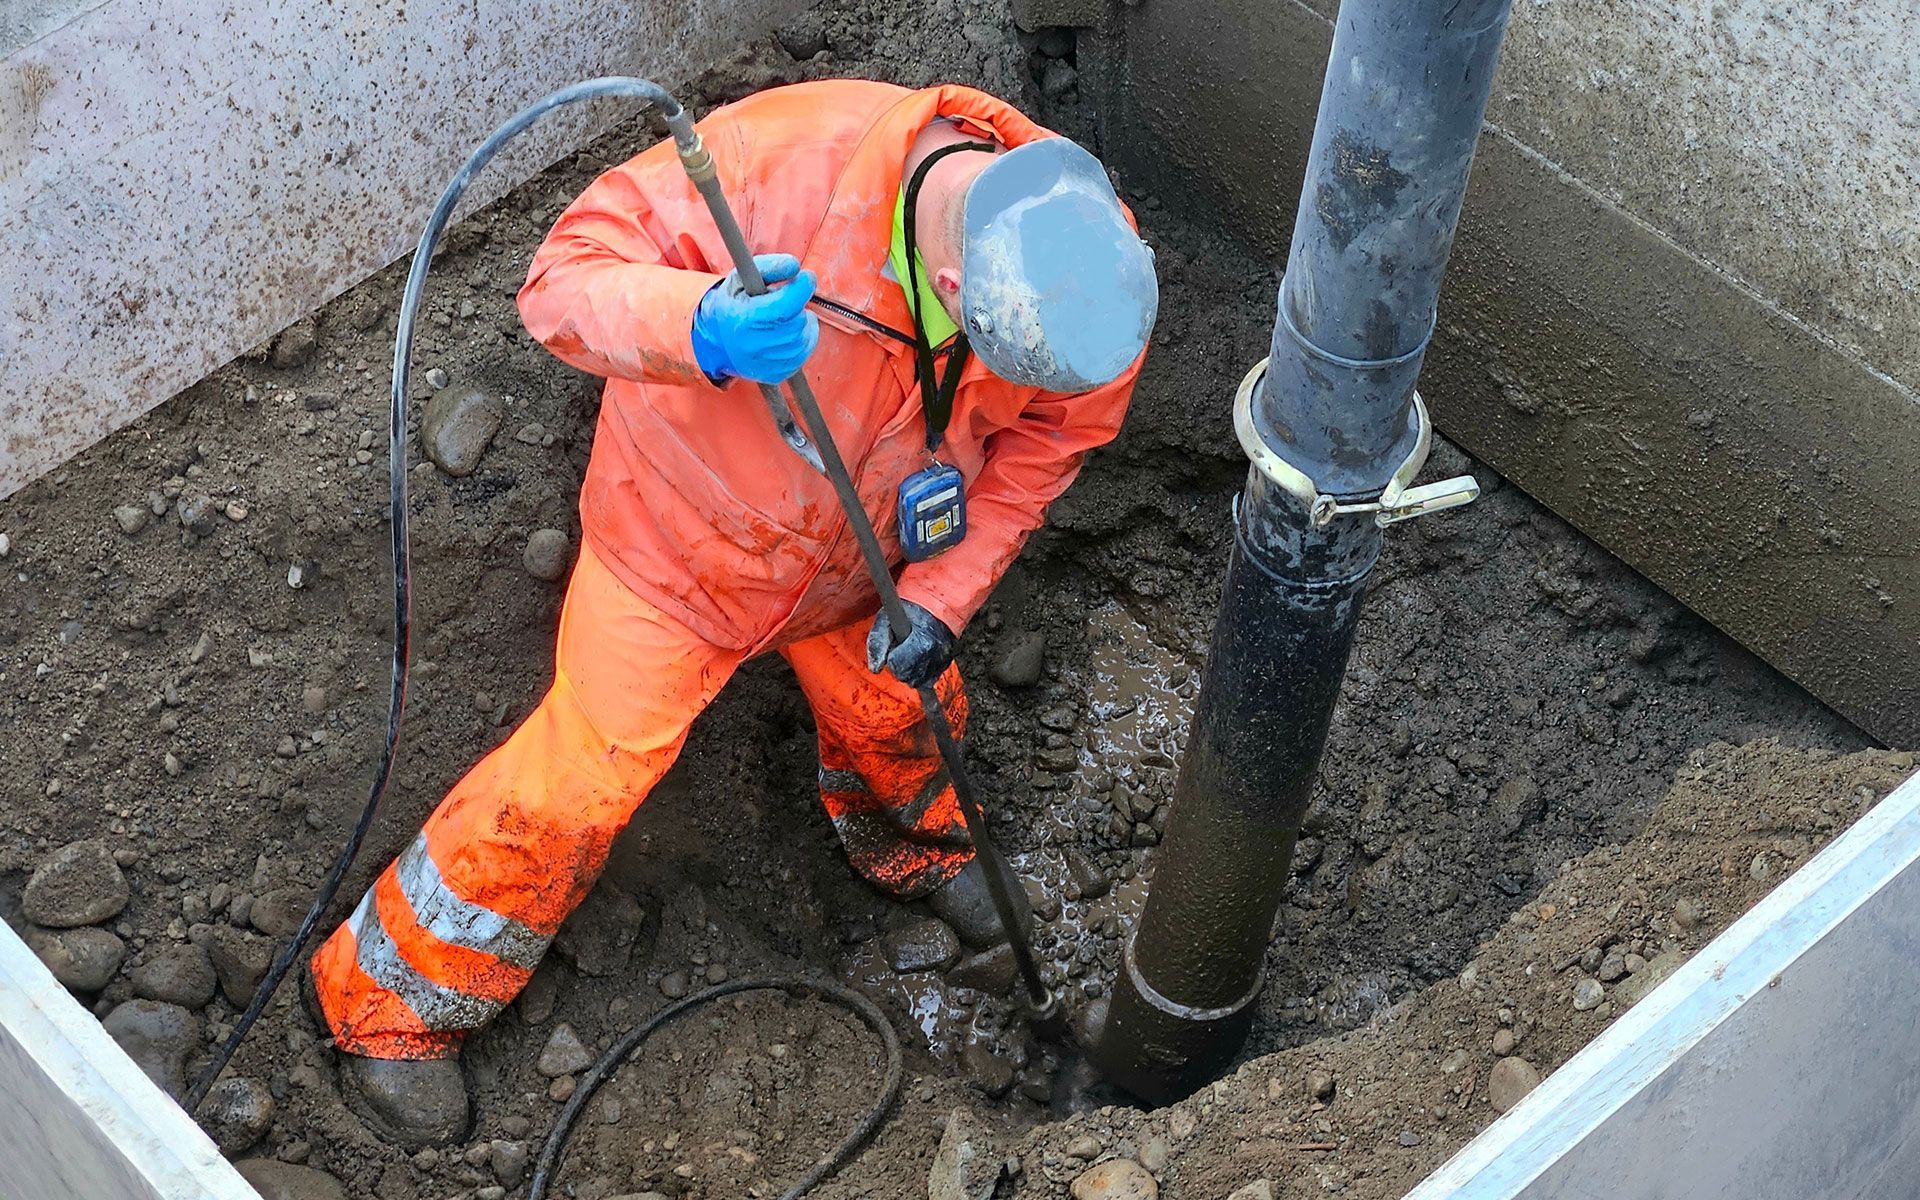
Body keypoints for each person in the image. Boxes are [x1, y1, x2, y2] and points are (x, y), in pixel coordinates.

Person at [307, 77, 1158, 1146]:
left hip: (875, 564)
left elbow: (1047, 448)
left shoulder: (1087, 275)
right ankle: (389, 1005)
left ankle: (924, 852)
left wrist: (938, 600)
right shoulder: (780, 166)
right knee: (582, 778)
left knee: (906, 707)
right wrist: (695, 322)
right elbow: (558, 282)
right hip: (681, 547)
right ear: (949, 281)